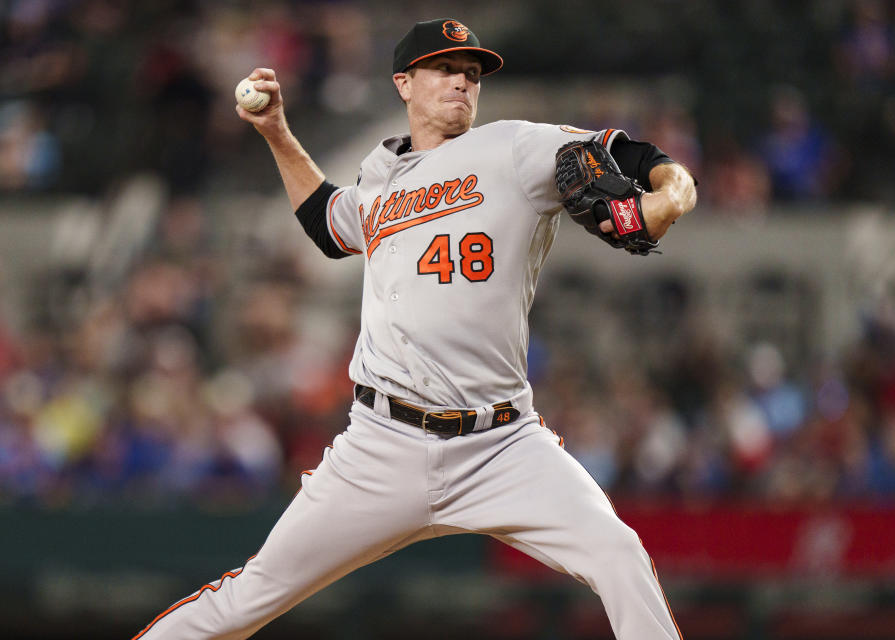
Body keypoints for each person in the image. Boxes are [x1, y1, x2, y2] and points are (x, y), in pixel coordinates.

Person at [133, 18, 696, 640]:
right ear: (403, 82)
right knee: (246, 600)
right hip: (382, 444)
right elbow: (327, 222)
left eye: (472, 73)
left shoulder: (511, 147)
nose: (462, 82)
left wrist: (672, 190)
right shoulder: (380, 178)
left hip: (501, 444)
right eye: (446, 69)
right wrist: (277, 133)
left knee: (619, 557)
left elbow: (635, 158)